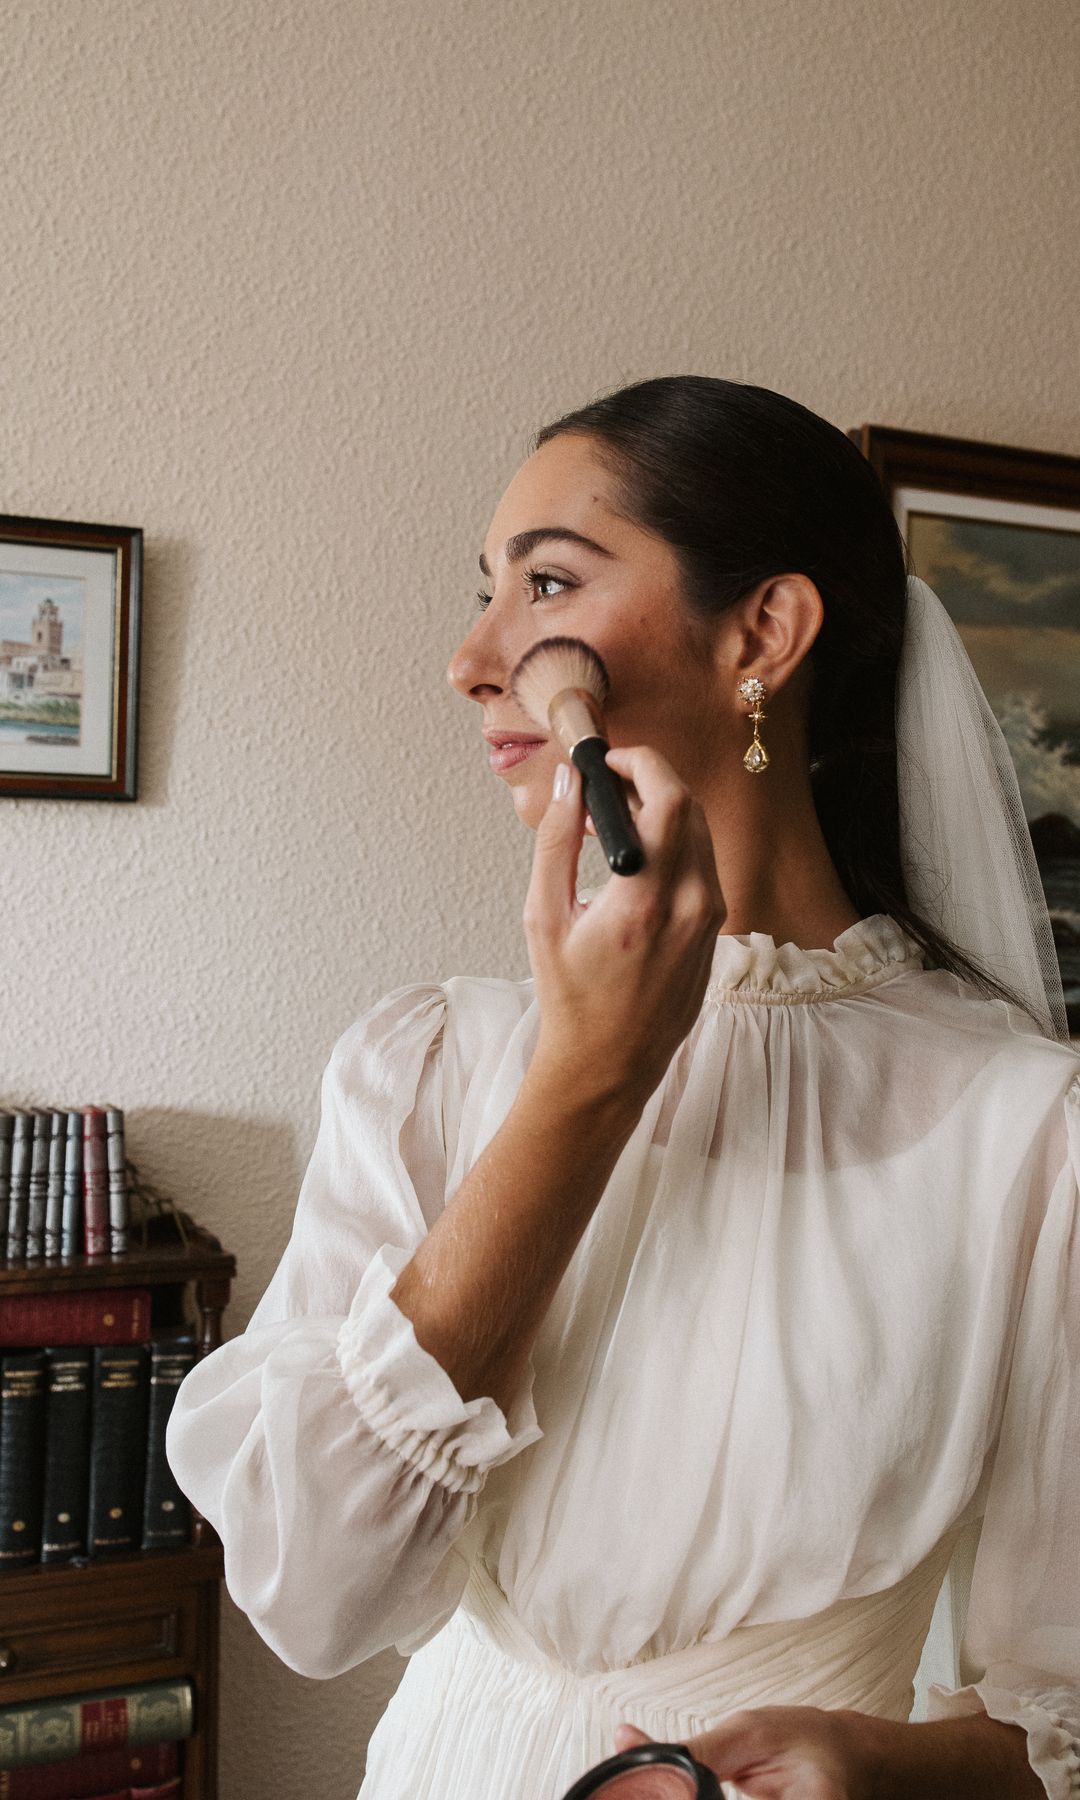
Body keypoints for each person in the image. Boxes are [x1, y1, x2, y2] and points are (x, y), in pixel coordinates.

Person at [166, 377, 1080, 1800]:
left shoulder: (1031, 1132)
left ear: (763, 633)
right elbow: (313, 1598)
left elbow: (1052, 1717)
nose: (475, 659)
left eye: (544, 585)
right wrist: (581, 1090)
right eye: (483, 593)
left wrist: (878, 1766)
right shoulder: (426, 1066)